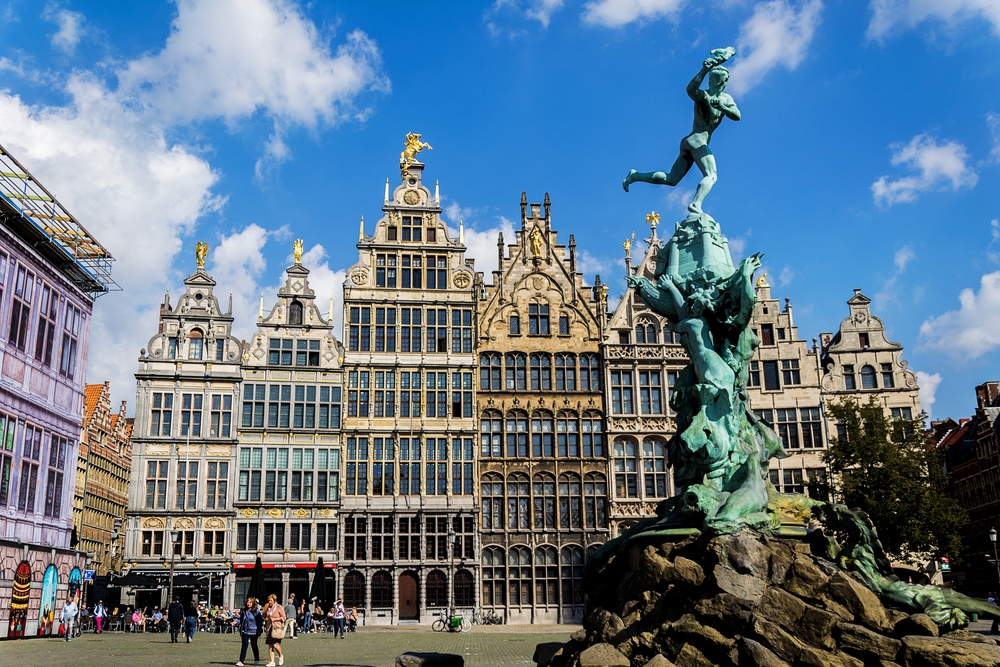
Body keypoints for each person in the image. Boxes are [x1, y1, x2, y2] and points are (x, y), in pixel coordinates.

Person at [622, 48, 741, 215]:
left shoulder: (726, 99)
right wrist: (704, 70)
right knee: (712, 175)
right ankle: (696, 204)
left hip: (690, 142)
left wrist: (722, 107)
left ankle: (635, 176)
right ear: (723, 82)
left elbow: (737, 115)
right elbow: (690, 90)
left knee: (671, 179)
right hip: (697, 141)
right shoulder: (704, 96)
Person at [236, 597, 264, 666]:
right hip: (245, 631)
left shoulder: (256, 611)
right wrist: (235, 622)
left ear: (253, 603)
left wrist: (259, 630)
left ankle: (257, 660)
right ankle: (241, 661)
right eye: (248, 602)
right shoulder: (243, 611)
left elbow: (260, 622)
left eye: (250, 602)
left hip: (254, 631)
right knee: (244, 645)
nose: (248, 604)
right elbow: (241, 620)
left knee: (254, 645)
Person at [263, 594, 286, 667]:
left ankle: (280, 655)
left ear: (274, 600)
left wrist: (275, 619)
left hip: (276, 628)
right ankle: (272, 662)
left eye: (271, 601)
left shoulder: (279, 607)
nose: (269, 602)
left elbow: (284, 617)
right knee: (270, 645)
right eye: (269, 601)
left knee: (275, 645)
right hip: (269, 628)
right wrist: (265, 616)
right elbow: (264, 614)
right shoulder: (268, 607)